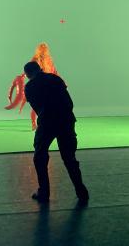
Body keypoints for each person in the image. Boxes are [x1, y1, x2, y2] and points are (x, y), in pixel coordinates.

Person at [23, 61, 89, 204]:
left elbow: (38, 109)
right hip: (66, 121)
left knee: (40, 156)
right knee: (69, 158)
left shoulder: (29, 87)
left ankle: (44, 192)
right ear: (40, 69)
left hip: (47, 124)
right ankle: (81, 191)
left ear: (27, 75)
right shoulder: (55, 79)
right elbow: (69, 103)